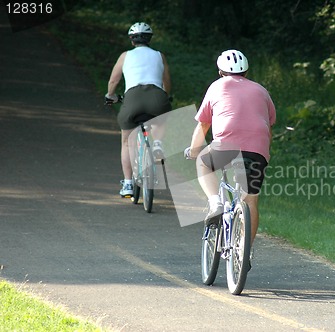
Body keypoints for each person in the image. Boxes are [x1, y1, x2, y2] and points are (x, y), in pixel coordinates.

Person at [186, 49, 276, 244]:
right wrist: (263, 154)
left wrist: (194, 150)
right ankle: (244, 253)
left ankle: (215, 203)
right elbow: (268, 126)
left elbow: (204, 124)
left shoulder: (217, 87)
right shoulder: (261, 90)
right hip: (257, 149)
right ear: (247, 71)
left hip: (226, 145)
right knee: (251, 199)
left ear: (220, 71)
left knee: (203, 161)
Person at [105, 22, 172, 197]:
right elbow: (167, 81)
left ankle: (128, 183)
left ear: (131, 39)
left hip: (132, 98)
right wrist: (165, 96)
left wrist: (110, 95)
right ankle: (157, 143)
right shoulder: (159, 55)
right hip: (157, 96)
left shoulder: (125, 56)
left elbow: (113, 81)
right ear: (149, 39)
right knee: (162, 118)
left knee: (127, 141)